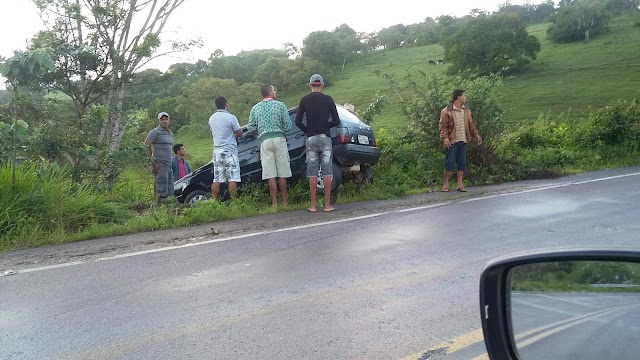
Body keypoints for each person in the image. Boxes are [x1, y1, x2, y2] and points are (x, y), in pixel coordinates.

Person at [295, 74, 341, 213]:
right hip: (325, 138)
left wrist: (308, 130)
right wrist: (326, 126)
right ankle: (327, 205)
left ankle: (313, 206)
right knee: (327, 171)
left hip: (311, 139)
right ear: (322, 85)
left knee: (312, 173)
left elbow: (297, 121)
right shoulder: (328, 99)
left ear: (310, 85)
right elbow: (336, 120)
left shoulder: (304, 100)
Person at [246, 84, 292, 208]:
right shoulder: (280, 105)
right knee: (282, 173)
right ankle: (285, 203)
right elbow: (288, 125)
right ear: (270, 92)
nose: (275, 92)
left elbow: (250, 127)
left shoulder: (255, 108)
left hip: (265, 141)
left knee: (270, 174)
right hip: (279, 139)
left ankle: (274, 204)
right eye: (274, 90)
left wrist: (260, 132)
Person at [438, 89, 482, 193]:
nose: (465, 98)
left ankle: (460, 184)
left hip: (463, 140)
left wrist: (476, 135)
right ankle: (445, 184)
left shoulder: (466, 110)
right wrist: (445, 138)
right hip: (452, 141)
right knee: (450, 162)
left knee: (462, 162)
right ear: (458, 97)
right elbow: (442, 126)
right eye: (464, 96)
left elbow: (471, 124)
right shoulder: (446, 111)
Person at [208, 96, 243, 201]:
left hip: (217, 152)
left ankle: (213, 202)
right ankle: (234, 203)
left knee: (217, 179)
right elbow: (239, 133)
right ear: (226, 105)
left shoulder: (212, 118)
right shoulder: (231, 117)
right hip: (229, 151)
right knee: (233, 178)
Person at [145, 111, 174, 205]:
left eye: (166, 119)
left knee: (169, 188)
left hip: (169, 164)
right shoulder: (155, 132)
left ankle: (168, 209)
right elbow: (146, 145)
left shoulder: (170, 133)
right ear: (159, 121)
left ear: (169, 120)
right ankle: (157, 208)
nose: (164, 121)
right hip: (160, 164)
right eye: (162, 120)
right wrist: (153, 162)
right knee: (160, 188)